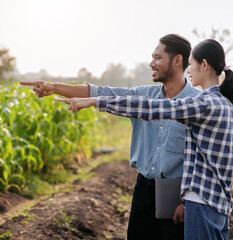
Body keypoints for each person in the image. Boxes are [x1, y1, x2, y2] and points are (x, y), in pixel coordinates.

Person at [20, 34, 201, 240]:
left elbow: (204, 160)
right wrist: (54, 87)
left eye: (158, 58)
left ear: (177, 60)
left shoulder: (197, 103)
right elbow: (101, 91)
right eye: (152, 57)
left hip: (177, 194)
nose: (152, 63)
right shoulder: (143, 95)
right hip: (143, 189)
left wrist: (188, 201)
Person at [58, 39, 233, 240]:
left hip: (201, 204)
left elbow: (156, 108)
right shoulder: (231, 105)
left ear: (204, 65)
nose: (189, 69)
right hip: (218, 204)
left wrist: (95, 101)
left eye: (192, 63)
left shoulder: (204, 104)